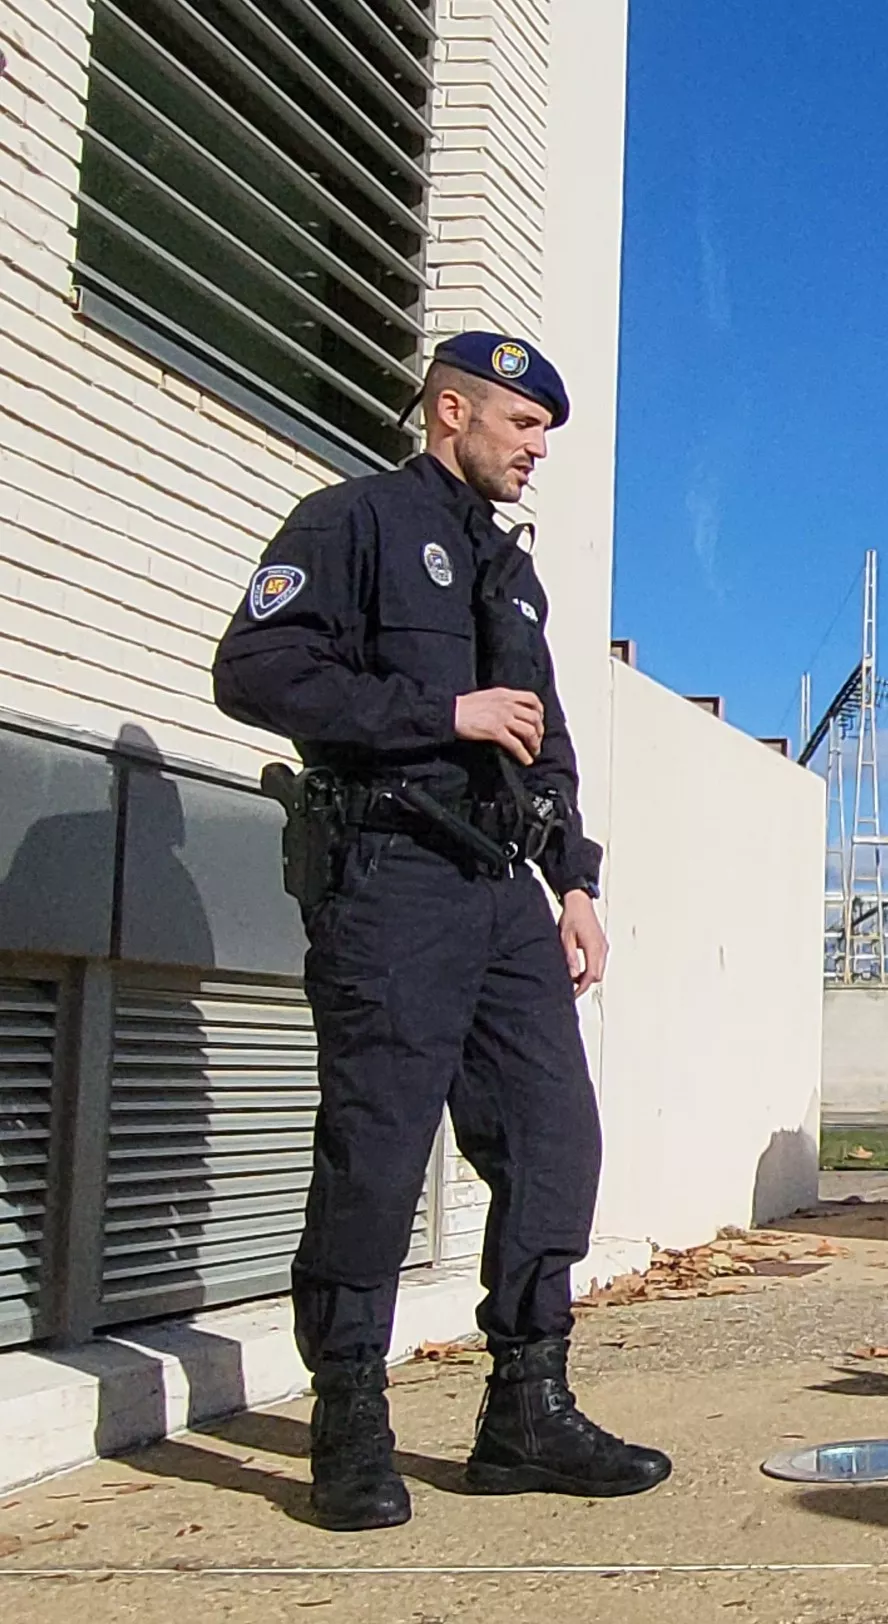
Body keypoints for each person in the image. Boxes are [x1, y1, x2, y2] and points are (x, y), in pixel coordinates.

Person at [213, 333, 669, 1532]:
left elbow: (542, 733)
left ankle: (527, 1408)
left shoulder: (513, 575)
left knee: (554, 1137)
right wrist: (439, 710)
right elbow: (254, 669)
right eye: (522, 427)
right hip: (392, 874)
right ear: (451, 411)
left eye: (544, 436)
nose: (536, 452)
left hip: (502, 889)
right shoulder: (349, 522)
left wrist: (573, 882)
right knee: (376, 1146)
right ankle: (348, 1418)